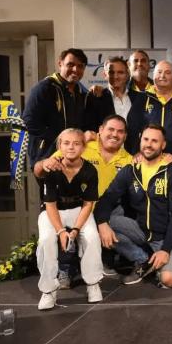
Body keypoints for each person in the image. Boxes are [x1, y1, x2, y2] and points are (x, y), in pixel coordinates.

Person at [35, 114, 133, 285]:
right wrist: (44, 164)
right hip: (76, 204)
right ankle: (65, 268)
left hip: (106, 207)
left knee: (119, 219)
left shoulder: (130, 160)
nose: (115, 135)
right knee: (61, 226)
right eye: (110, 129)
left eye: (120, 132)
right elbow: (39, 169)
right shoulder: (81, 145)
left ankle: (106, 261)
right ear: (100, 131)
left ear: (125, 136)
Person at [94, 124, 172, 288]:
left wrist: (165, 249)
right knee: (101, 221)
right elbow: (107, 199)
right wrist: (102, 224)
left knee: (168, 280)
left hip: (165, 238)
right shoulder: (130, 170)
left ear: (163, 145)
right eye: (145, 139)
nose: (149, 144)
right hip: (140, 231)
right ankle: (142, 260)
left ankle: (161, 259)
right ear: (140, 140)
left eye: (154, 141)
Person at [36, 128, 102, 310]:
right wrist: (60, 231)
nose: (71, 147)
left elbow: (88, 204)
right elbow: (50, 204)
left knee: (92, 237)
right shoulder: (52, 168)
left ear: (83, 147)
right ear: (59, 146)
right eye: (66, 143)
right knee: (46, 240)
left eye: (76, 143)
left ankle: (93, 284)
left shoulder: (90, 170)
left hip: (79, 211)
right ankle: (48, 291)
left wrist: (75, 230)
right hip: (53, 212)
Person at [23, 48, 90, 168]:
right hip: (48, 154)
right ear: (60, 63)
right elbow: (28, 121)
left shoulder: (80, 92)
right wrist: (60, 139)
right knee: (52, 187)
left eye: (80, 66)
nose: (75, 69)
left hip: (74, 156)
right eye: (71, 64)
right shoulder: (44, 88)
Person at [127, 60, 172, 164]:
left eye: (168, 72)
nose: (163, 75)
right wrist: (136, 152)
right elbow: (132, 128)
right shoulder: (142, 98)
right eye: (159, 72)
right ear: (153, 75)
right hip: (146, 162)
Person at [83, 57, 132, 133]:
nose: (115, 76)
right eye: (111, 72)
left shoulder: (138, 97)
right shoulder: (95, 97)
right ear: (105, 75)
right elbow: (90, 129)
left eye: (120, 72)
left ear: (127, 75)